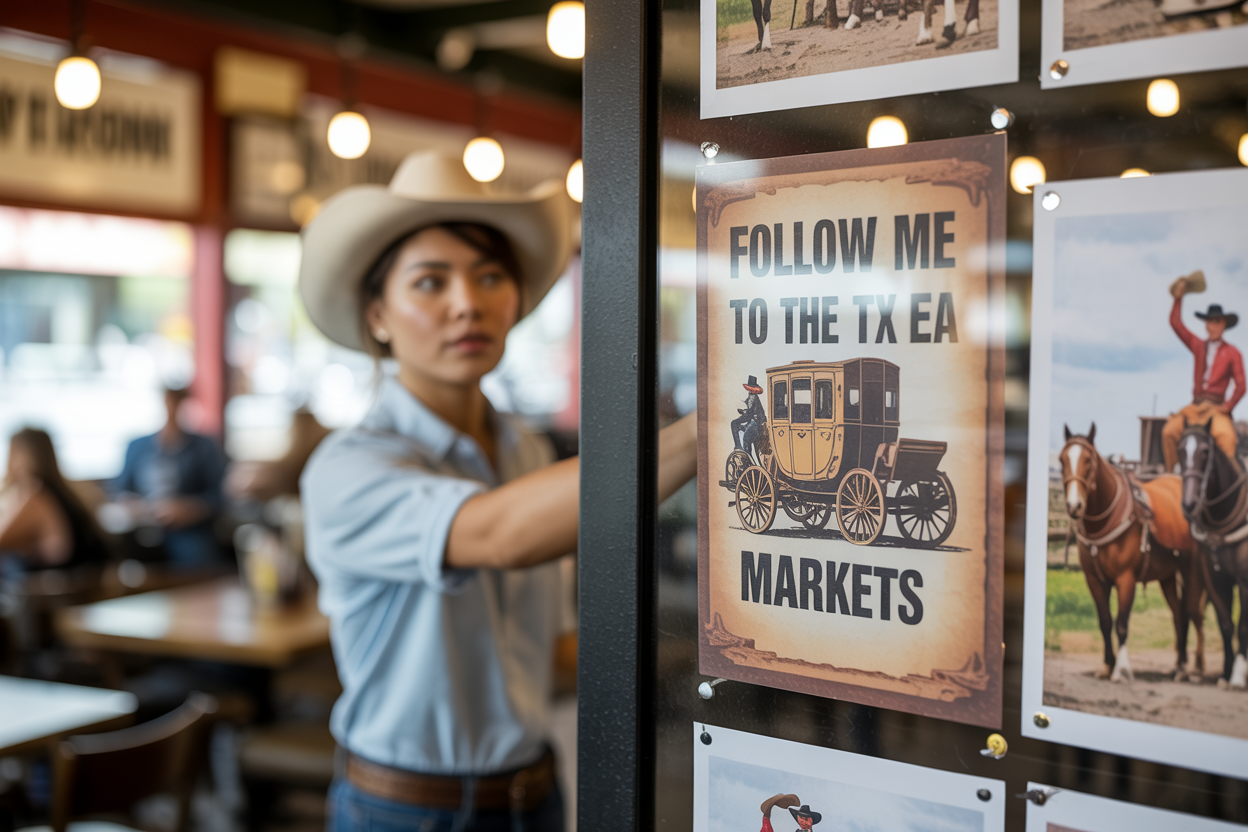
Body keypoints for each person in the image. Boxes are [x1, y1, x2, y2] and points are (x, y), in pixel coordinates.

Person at [297, 150, 698, 832]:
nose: (467, 304)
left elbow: (551, 652)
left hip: (536, 794)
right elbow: (498, 535)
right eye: (430, 282)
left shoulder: (525, 449)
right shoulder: (348, 466)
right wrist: (712, 426)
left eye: (489, 276)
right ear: (379, 315)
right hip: (405, 812)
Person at [111, 386, 226, 566]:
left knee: (196, 558)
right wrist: (140, 507)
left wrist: (189, 509)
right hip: (141, 526)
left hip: (188, 528)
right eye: (167, 403)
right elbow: (119, 491)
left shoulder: (204, 447)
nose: (171, 410)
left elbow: (220, 496)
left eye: (176, 403)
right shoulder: (136, 446)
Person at [1162, 275, 1245, 473]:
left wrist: (1228, 406)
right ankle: (1174, 478)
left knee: (1226, 437)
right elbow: (1176, 324)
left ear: (1223, 325)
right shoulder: (1198, 345)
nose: (1212, 326)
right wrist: (1178, 299)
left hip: (1216, 409)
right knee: (1169, 432)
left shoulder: (1233, 352)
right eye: (1209, 322)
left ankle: (1229, 482)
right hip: (1195, 407)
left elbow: (1242, 385)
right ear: (1206, 324)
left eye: (1217, 322)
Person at [0, 428, 108, 569]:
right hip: (87, 575)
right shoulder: (60, 491)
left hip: (71, 580)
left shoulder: (36, 495)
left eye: (13, 453)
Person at [732, 374, 766, 459]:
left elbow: (750, 413)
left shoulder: (752, 397)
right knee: (743, 429)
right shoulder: (754, 397)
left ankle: (746, 458)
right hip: (758, 422)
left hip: (756, 423)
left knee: (746, 440)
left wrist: (742, 412)